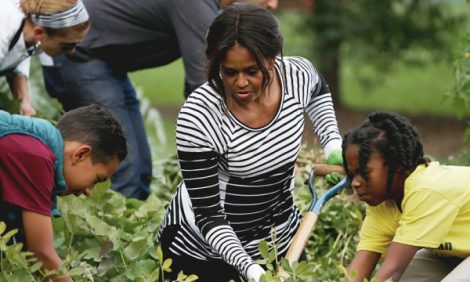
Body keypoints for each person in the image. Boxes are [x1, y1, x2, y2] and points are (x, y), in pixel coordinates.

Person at [157, 3, 343, 281]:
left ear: (272, 59)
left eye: (252, 71)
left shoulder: (297, 75)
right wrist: (251, 271)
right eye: (229, 72)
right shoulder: (200, 115)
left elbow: (318, 92)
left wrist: (333, 146)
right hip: (202, 251)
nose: (240, 83)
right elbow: (208, 215)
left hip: (278, 240)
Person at [40, 0, 278, 200]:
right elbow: (205, 86)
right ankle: (103, 252)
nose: (273, 4)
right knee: (124, 169)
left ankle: (127, 245)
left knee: (141, 170)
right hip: (75, 54)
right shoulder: (196, 6)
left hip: (106, 63)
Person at [0, 104, 127, 281]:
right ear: (80, 154)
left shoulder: (41, 149)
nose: (89, 192)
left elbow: (29, 252)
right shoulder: (37, 156)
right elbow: (41, 253)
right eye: (97, 179)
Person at [343, 111, 470, 282]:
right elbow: (356, 274)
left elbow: (393, 270)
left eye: (363, 172)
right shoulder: (381, 206)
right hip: (456, 254)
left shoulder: (425, 190)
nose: (355, 183)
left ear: (397, 165)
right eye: (352, 175)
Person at [0, 0, 89, 116]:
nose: (72, 52)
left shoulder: (30, 30)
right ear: (39, 33)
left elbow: (19, 56)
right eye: (66, 46)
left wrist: (25, 104)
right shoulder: (4, 26)